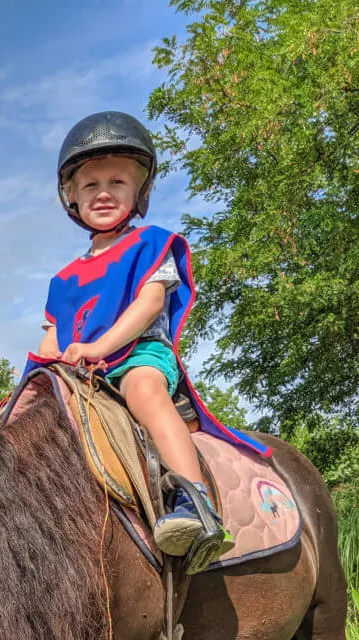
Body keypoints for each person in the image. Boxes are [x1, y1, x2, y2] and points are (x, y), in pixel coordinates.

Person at [36, 111, 269, 572]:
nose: (103, 193)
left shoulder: (151, 245)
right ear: (71, 198)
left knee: (144, 390)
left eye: (117, 183)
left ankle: (195, 501)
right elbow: (50, 337)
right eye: (90, 185)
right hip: (83, 375)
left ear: (139, 192)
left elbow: (149, 302)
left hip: (138, 355)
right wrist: (46, 370)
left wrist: (100, 348)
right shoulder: (62, 279)